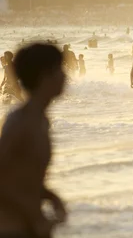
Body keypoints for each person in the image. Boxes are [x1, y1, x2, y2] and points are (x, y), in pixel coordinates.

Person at [0, 44, 67, 238]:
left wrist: (50, 196)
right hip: (12, 229)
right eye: (60, 69)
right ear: (45, 76)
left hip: (31, 226)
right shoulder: (20, 121)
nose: (65, 76)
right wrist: (34, 218)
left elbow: (22, 174)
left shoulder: (40, 119)